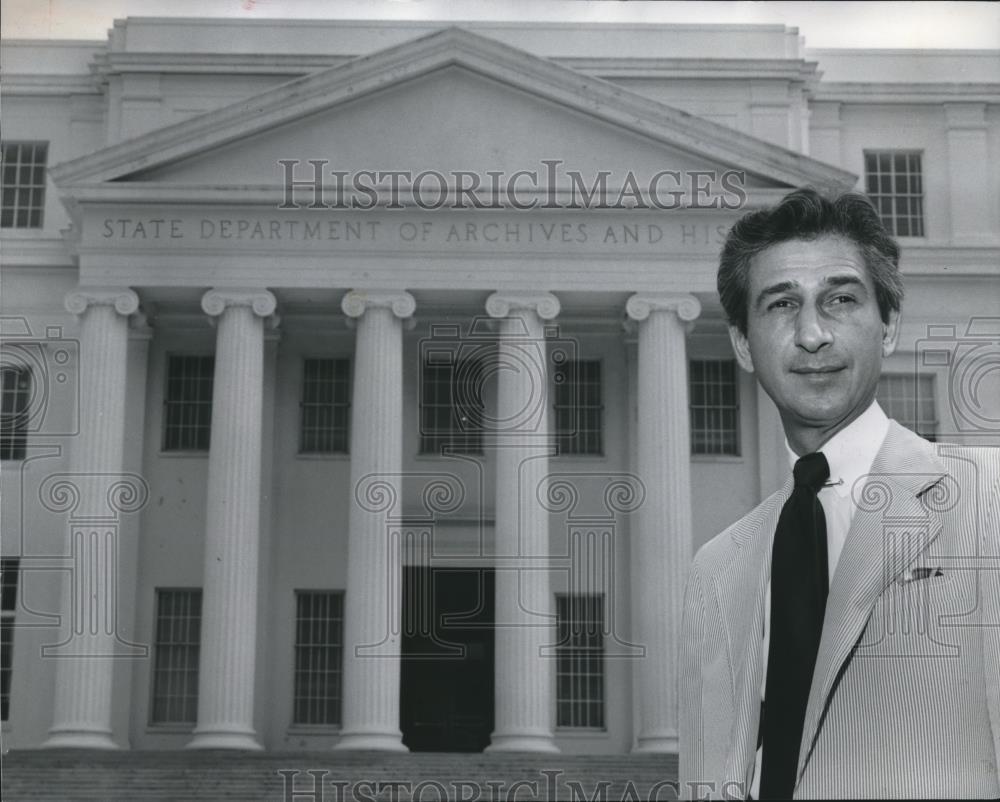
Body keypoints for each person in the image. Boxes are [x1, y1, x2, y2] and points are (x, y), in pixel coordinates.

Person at [678, 188, 1000, 799]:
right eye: (780, 305)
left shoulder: (989, 500)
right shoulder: (715, 570)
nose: (812, 333)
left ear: (889, 325)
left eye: (841, 299)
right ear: (744, 344)